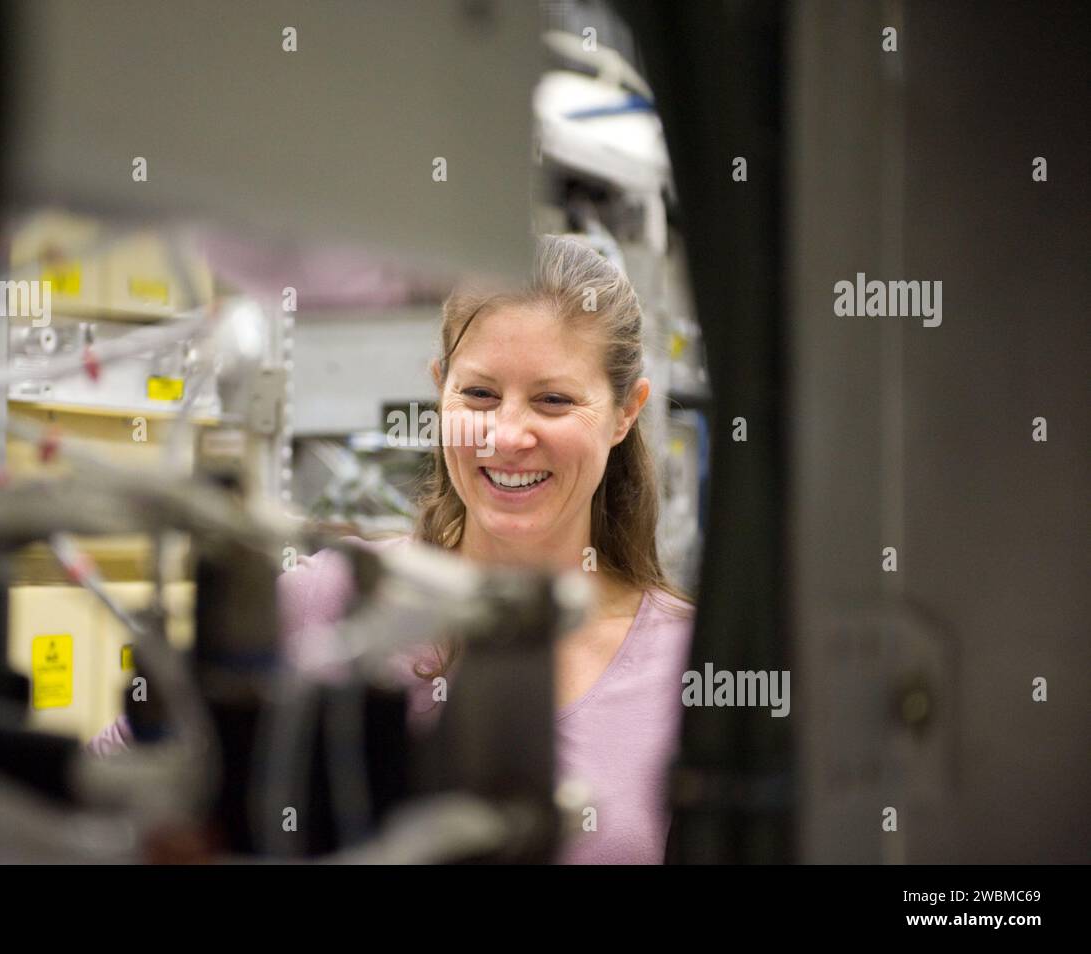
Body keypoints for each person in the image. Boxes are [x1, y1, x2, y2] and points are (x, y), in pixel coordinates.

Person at [88, 234, 695, 863]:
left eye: (554, 400)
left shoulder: (682, 663)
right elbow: (116, 786)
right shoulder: (323, 599)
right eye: (480, 394)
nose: (508, 435)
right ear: (440, 390)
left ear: (627, 412)